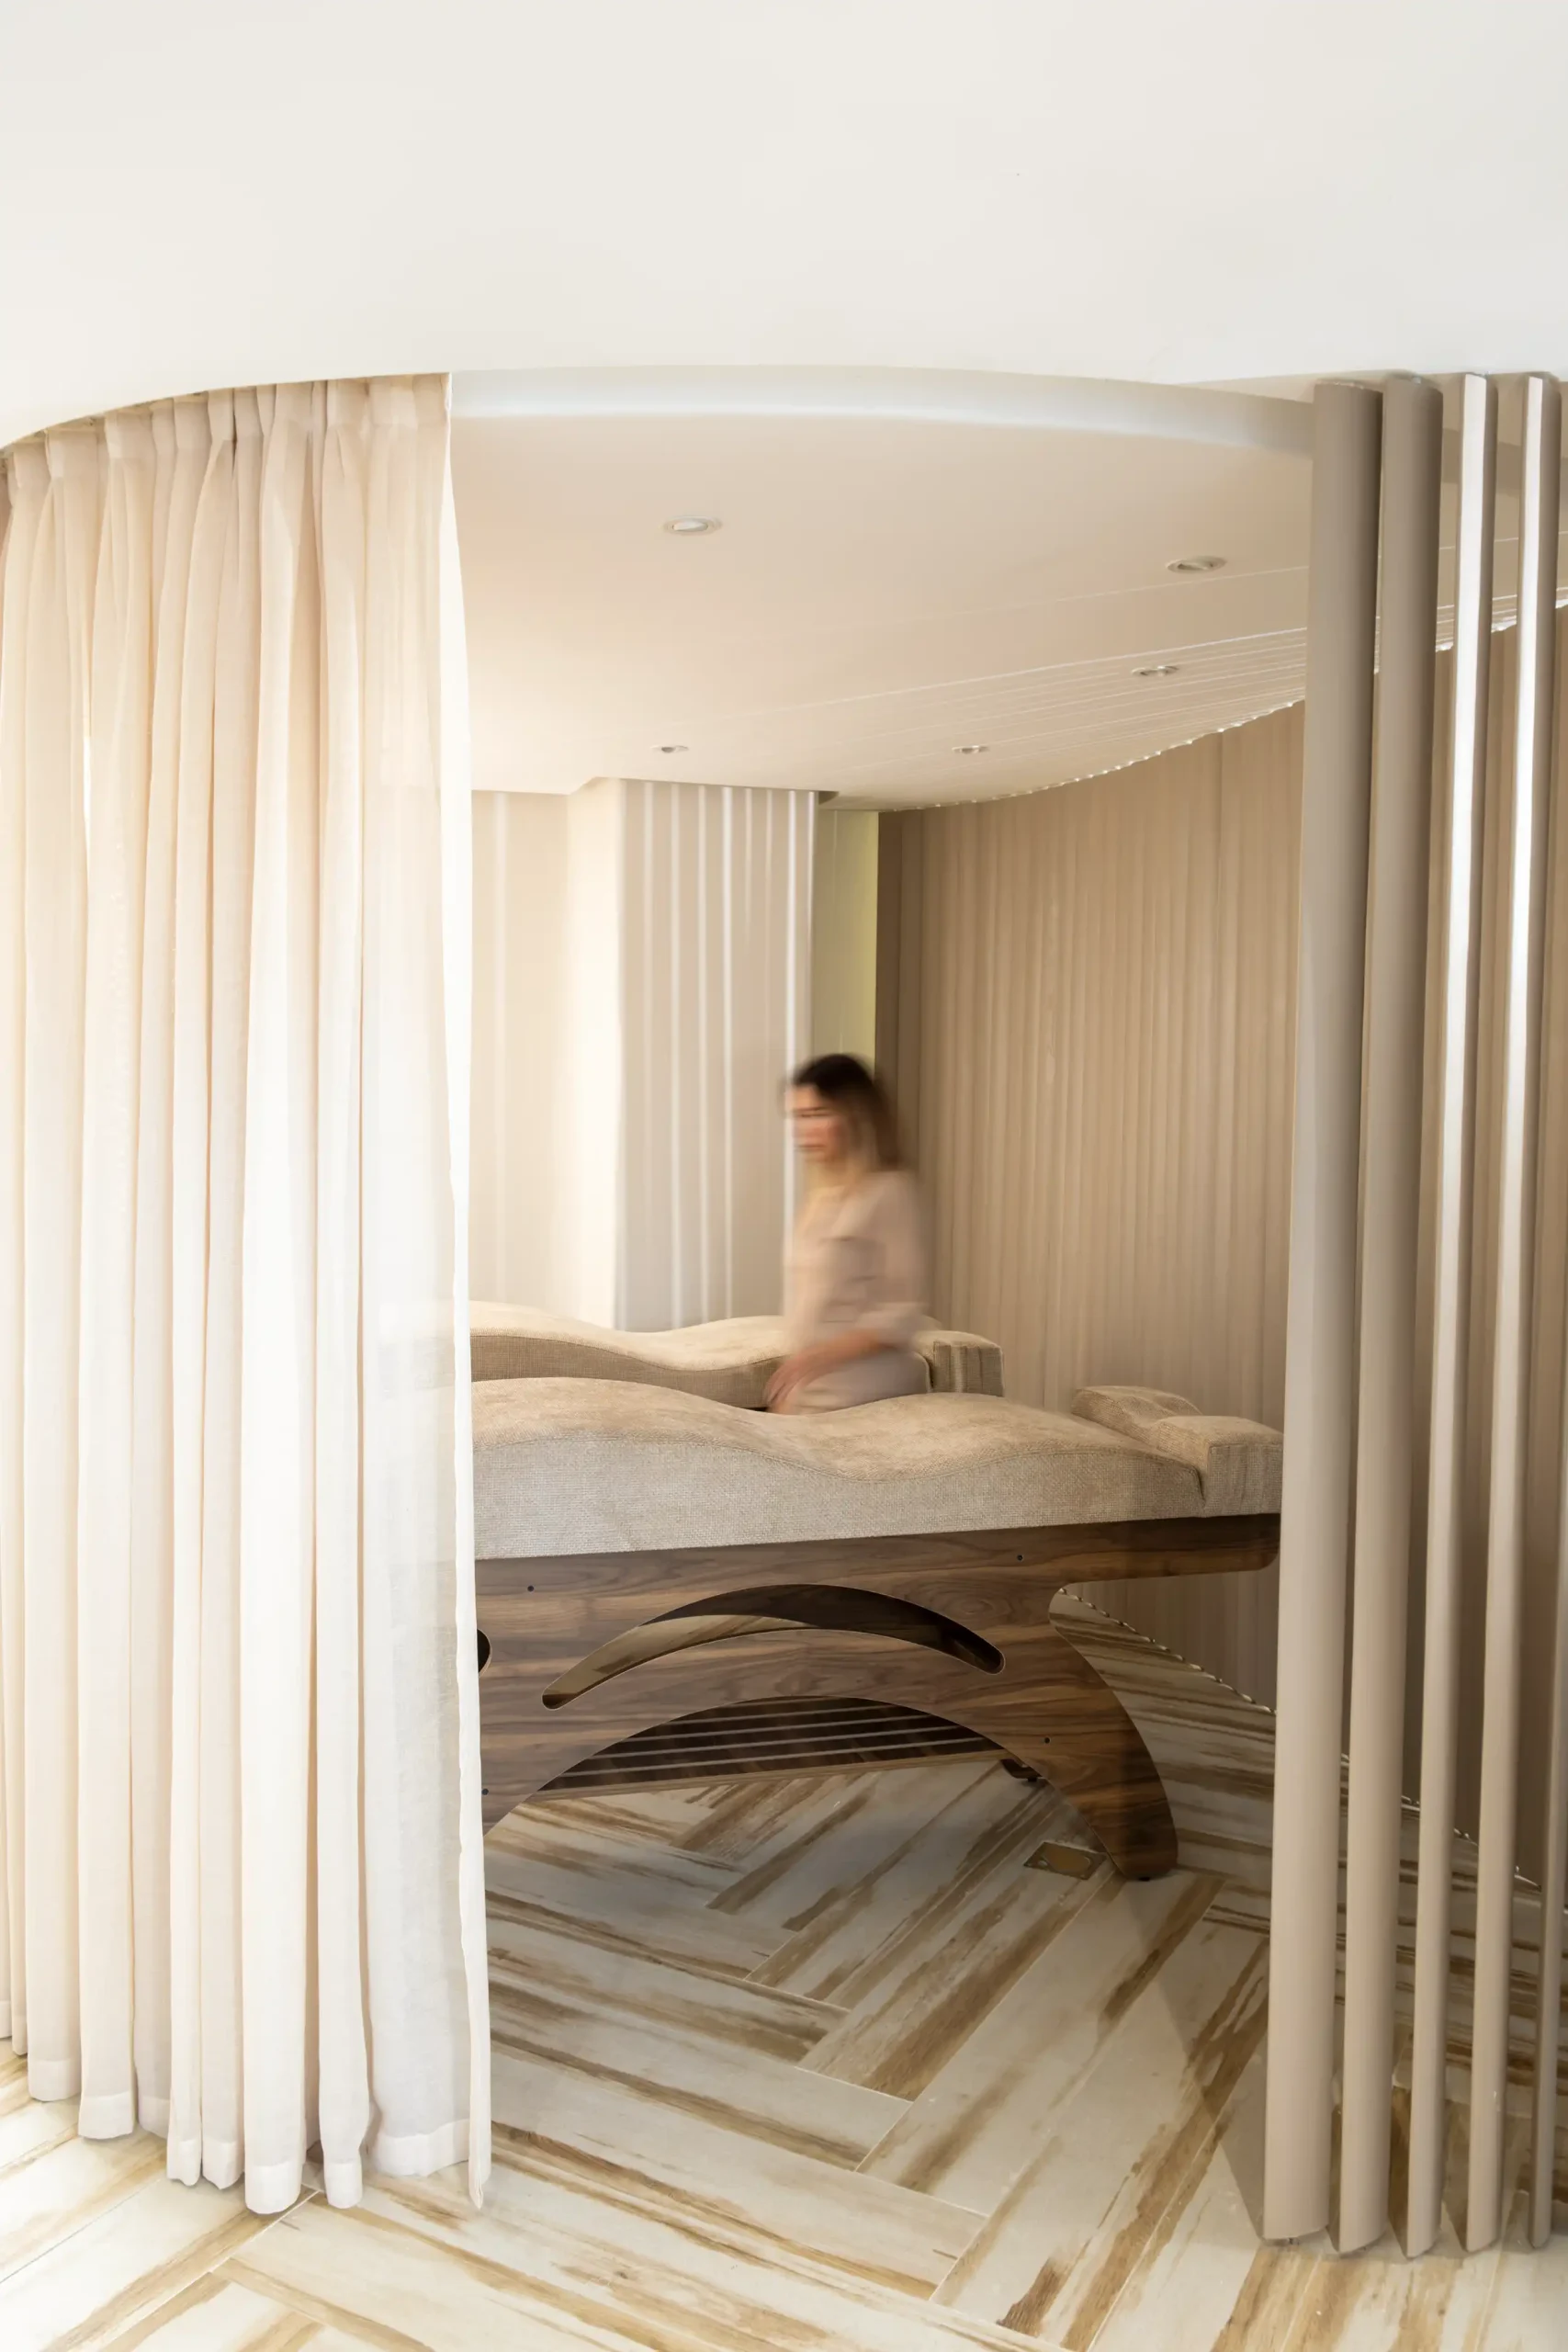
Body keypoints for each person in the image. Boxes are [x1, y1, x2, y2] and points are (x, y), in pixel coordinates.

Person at [767, 1054, 929, 1413]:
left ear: (855, 1116)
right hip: (812, 1388)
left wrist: (818, 1358)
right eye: (797, 1117)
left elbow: (902, 1313)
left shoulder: (889, 1192)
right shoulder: (821, 1197)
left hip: (866, 1393)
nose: (802, 1131)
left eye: (817, 1114)